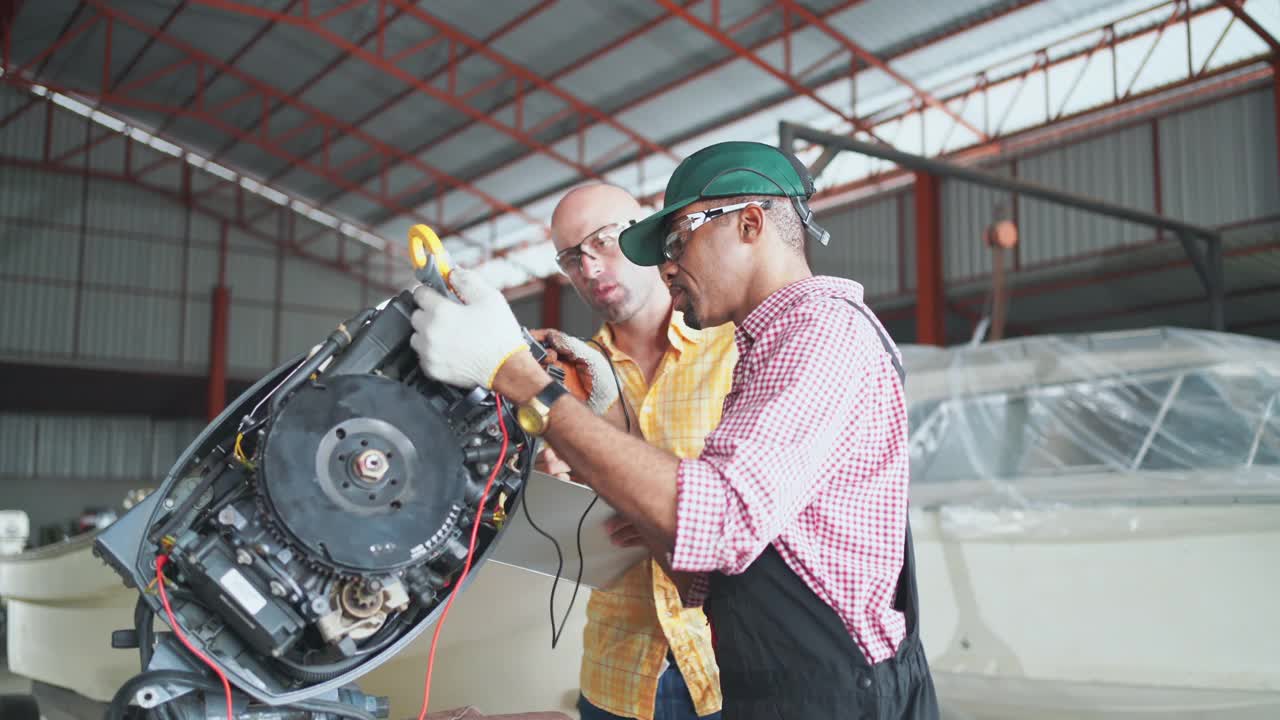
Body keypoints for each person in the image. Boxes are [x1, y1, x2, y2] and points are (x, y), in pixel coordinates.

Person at [410, 141, 938, 719]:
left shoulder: (817, 335)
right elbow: (706, 573)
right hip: (774, 680)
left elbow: (717, 519)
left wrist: (520, 379)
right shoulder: (763, 346)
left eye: (678, 240)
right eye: (570, 258)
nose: (665, 266)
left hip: (835, 693)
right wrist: (608, 427)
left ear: (750, 224)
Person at [540, 182, 734, 720]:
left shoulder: (735, 347)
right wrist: (549, 475)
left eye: (602, 242)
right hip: (617, 674)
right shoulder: (565, 377)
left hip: (727, 667)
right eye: (571, 258)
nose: (589, 267)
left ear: (646, 236)